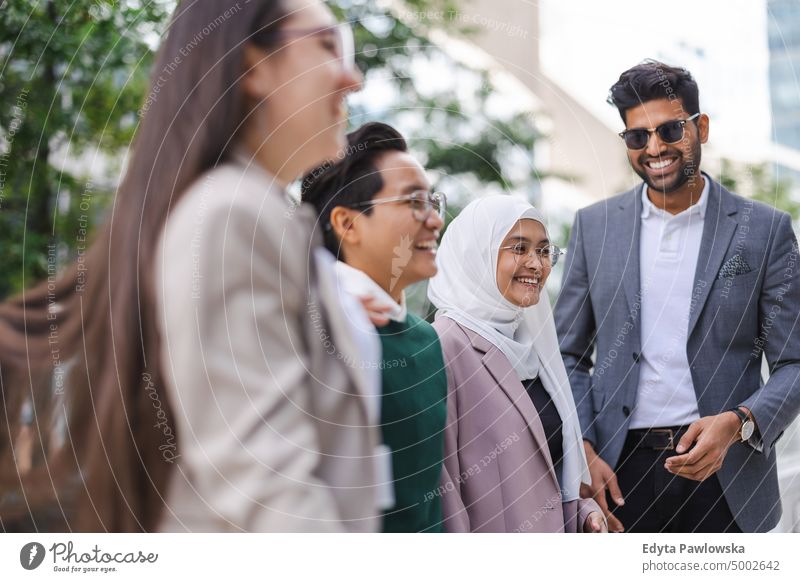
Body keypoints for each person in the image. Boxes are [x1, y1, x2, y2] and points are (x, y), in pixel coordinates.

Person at [0, 0, 389, 532]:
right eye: (326, 44)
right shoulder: (232, 214)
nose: (353, 78)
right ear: (253, 65)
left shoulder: (254, 214)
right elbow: (266, 481)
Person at [554, 60, 800, 533]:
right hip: (618, 476)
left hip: (730, 473)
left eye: (669, 130)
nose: (655, 148)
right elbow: (568, 353)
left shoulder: (764, 230)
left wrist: (740, 422)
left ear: (700, 127)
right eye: (637, 137)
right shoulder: (595, 227)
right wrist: (583, 446)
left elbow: (793, 361)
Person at [301, 122, 448, 532]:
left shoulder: (425, 339)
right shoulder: (309, 329)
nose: (434, 220)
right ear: (348, 224)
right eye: (414, 202)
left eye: (433, 201)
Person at [427, 195, 605, 533]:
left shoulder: (532, 345)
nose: (537, 265)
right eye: (519, 248)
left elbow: (539, 473)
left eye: (543, 250)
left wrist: (582, 515)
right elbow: (445, 496)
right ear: (476, 255)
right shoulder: (443, 347)